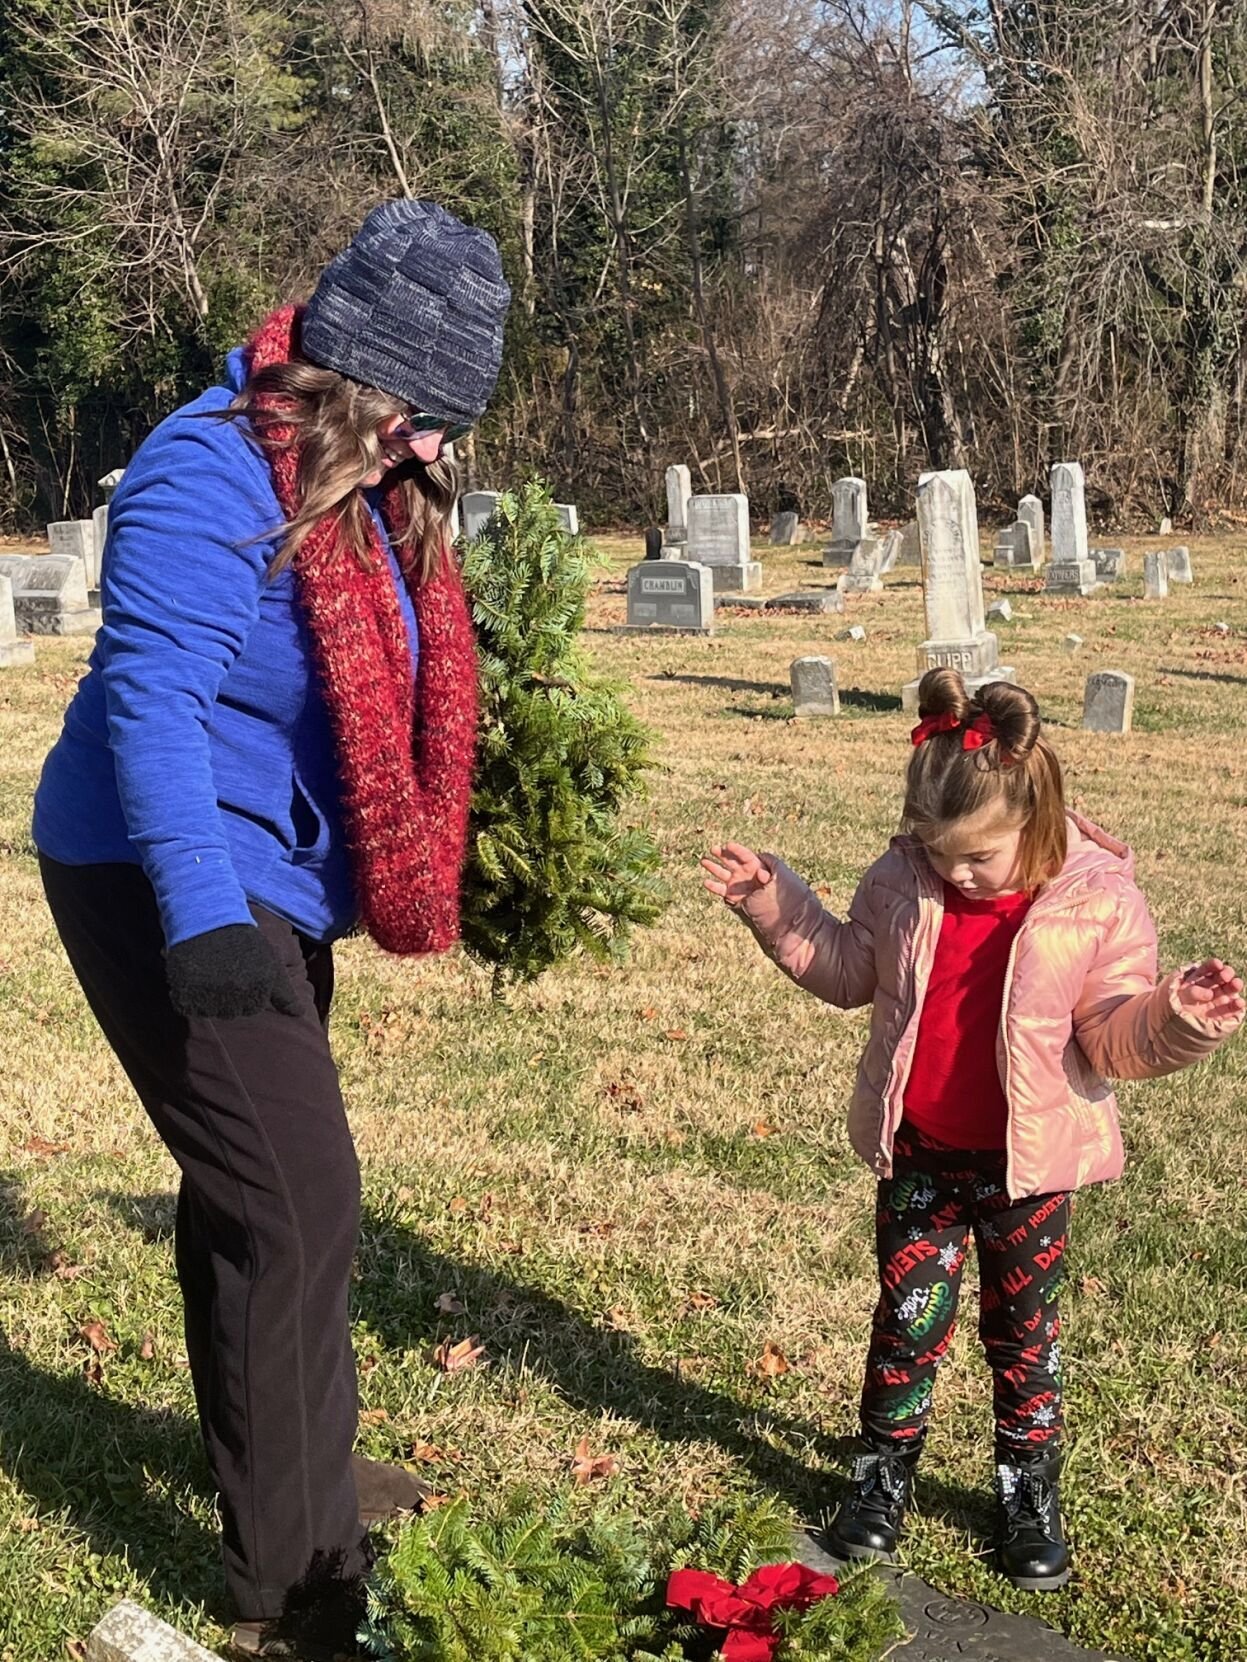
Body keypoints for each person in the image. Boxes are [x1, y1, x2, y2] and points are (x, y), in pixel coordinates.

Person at [33, 200, 511, 1659]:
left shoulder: (365, 480)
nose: (438, 447)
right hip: (156, 866)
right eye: (424, 414)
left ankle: (290, 1464)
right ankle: (291, 1583)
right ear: (361, 377)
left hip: (270, 876)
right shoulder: (208, 465)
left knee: (251, 1188)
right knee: (299, 1195)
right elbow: (152, 703)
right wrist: (202, 923)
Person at [701, 670, 1242, 1592]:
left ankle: (1027, 1487)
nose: (954, 872)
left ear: (1035, 816)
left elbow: (1111, 1037)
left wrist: (1176, 1017)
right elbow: (844, 969)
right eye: (936, 850)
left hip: (1026, 1173)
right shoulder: (900, 881)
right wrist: (774, 902)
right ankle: (881, 1476)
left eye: (976, 857)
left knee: (1023, 1336)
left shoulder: (1097, 902)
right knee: (906, 1324)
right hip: (919, 1155)